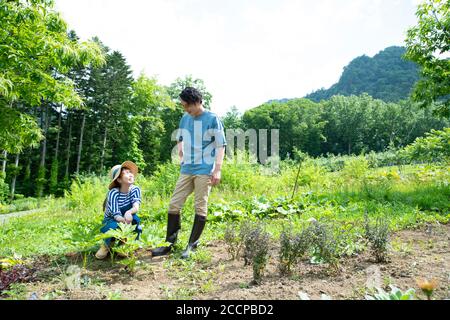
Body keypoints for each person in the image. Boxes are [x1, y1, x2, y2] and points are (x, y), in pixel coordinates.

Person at [152, 87, 227, 259]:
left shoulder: (212, 119)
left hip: (204, 169)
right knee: (174, 204)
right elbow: (180, 137)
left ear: (198, 102)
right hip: (187, 169)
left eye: (188, 106)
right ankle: (169, 244)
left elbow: (220, 145)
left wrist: (217, 169)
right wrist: (181, 152)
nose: (185, 109)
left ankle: (191, 245)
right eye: (184, 106)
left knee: (200, 206)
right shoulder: (185, 118)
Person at [95, 161, 143, 260]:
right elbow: (116, 214)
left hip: (127, 216)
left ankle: (124, 243)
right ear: (119, 180)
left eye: (130, 172)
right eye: (125, 173)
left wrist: (129, 212)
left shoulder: (135, 189)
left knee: (136, 220)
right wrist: (124, 222)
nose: (130, 174)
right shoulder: (113, 193)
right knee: (113, 226)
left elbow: (136, 206)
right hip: (112, 219)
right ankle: (107, 244)